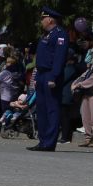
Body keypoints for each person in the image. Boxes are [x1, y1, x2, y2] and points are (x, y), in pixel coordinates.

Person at [31, 9, 68, 151]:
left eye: (43, 19)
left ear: (50, 20)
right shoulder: (46, 35)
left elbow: (59, 58)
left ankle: (49, 142)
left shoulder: (60, 34)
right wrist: (36, 77)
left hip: (51, 75)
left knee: (51, 108)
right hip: (41, 74)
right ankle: (42, 141)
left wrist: (54, 76)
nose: (41, 22)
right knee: (41, 109)